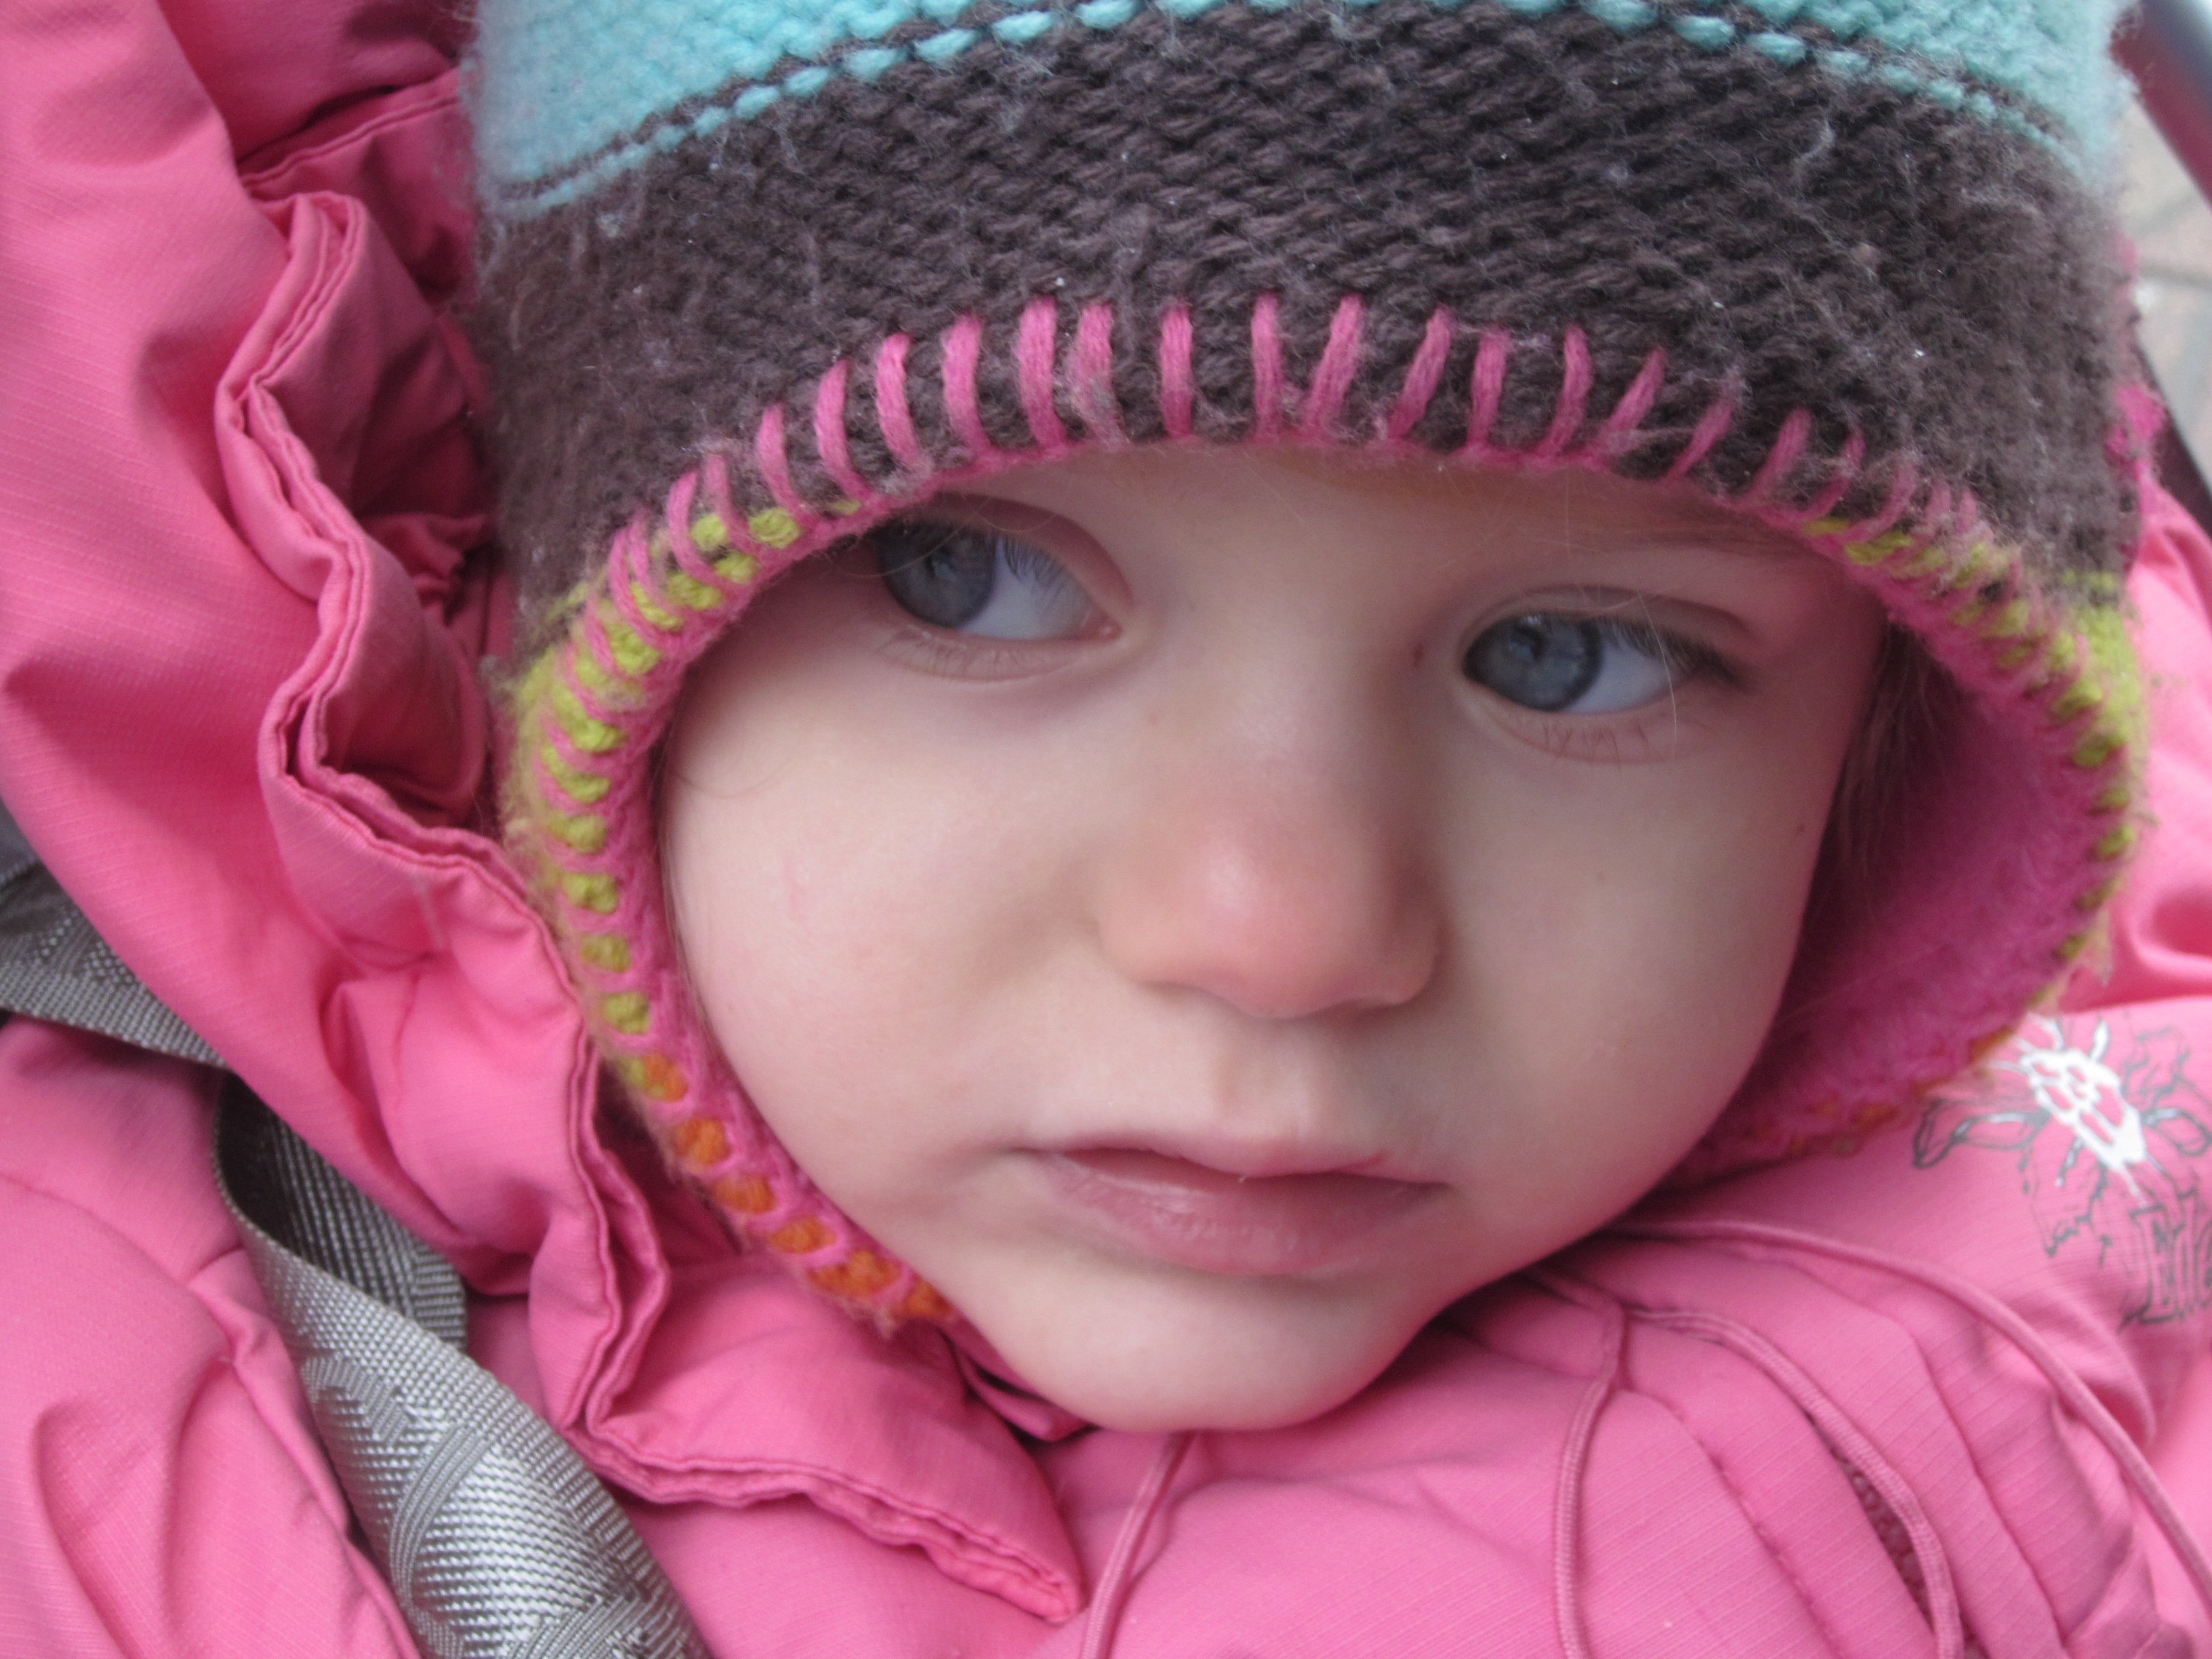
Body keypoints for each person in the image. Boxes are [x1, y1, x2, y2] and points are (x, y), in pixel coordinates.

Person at [3, 0, 2211, 1652]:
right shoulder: (141, 1434)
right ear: (596, 632)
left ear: (1899, 726)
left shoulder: (2137, 1158)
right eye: (966, 576)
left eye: (1572, 657)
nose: (1280, 933)